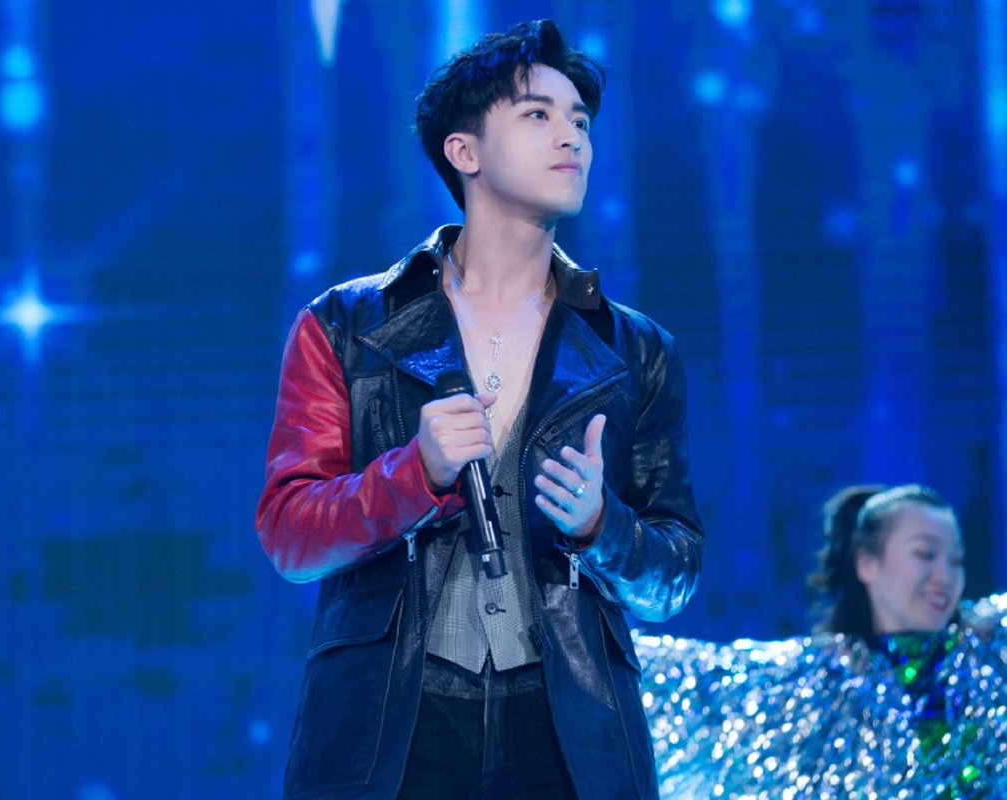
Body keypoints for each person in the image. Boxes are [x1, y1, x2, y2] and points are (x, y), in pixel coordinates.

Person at [255, 18, 705, 800]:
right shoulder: (345, 326)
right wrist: (413, 473)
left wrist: (604, 525)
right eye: (538, 115)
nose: (571, 137)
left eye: (580, 121)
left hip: (570, 730)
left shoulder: (636, 348)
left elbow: (677, 573)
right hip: (392, 722)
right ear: (463, 152)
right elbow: (291, 535)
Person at [636, 484, 1007, 799]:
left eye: (956, 560)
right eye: (925, 554)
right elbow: (693, 682)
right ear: (866, 564)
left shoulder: (989, 656)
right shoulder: (816, 681)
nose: (945, 575)